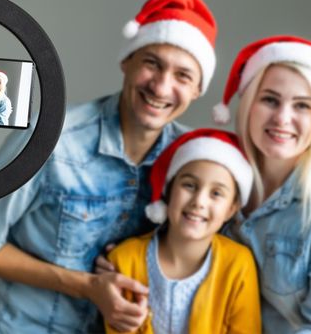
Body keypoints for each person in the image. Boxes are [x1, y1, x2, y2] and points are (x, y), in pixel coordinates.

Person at [0, 0, 218, 333]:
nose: (162, 86)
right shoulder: (53, 136)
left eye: (183, 76)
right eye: (152, 63)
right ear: (127, 61)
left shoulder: (196, 163)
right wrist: (85, 286)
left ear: (198, 89)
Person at [213, 35, 311, 333]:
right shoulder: (214, 180)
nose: (283, 118)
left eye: (302, 106)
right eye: (270, 99)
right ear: (249, 104)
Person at [105, 128, 261, 334]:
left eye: (216, 193)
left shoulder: (238, 265)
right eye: (189, 185)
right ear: (169, 190)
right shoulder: (124, 259)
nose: (199, 202)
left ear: (231, 209)